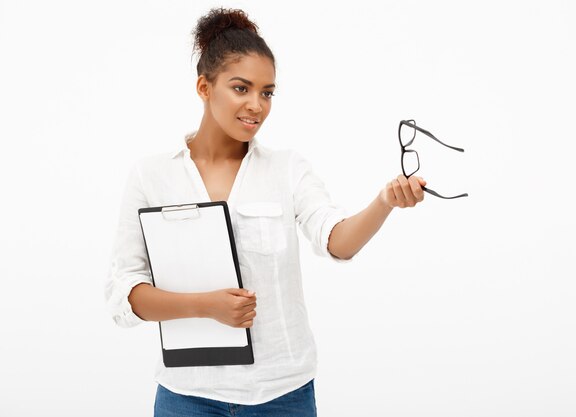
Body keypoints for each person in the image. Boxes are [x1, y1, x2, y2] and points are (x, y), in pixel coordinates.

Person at [105, 7, 427, 417]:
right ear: (204, 87)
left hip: (283, 394)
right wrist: (206, 306)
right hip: (186, 396)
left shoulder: (288, 168)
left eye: (267, 92)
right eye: (241, 88)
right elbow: (126, 295)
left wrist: (384, 203)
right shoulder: (151, 174)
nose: (256, 105)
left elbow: (337, 241)